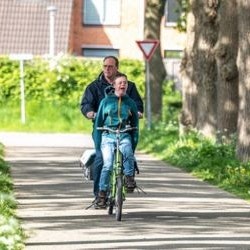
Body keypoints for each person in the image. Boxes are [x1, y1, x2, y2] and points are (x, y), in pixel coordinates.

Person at [80, 56, 143, 201]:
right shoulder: (94, 87)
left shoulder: (129, 86)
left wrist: (138, 112)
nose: (107, 69)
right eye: (105, 66)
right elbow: (86, 104)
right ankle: (99, 195)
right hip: (103, 129)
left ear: (117, 67)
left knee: (128, 153)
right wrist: (90, 112)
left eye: (110, 66)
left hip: (124, 130)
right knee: (101, 160)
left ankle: (128, 179)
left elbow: (137, 105)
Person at [93, 73, 139, 208]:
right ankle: (102, 194)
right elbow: (98, 124)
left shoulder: (130, 103)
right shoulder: (105, 102)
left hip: (124, 135)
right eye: (120, 83)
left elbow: (135, 125)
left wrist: (134, 141)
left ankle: (129, 179)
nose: (123, 85)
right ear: (114, 86)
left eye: (125, 83)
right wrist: (98, 143)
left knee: (128, 153)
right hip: (108, 135)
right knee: (107, 165)